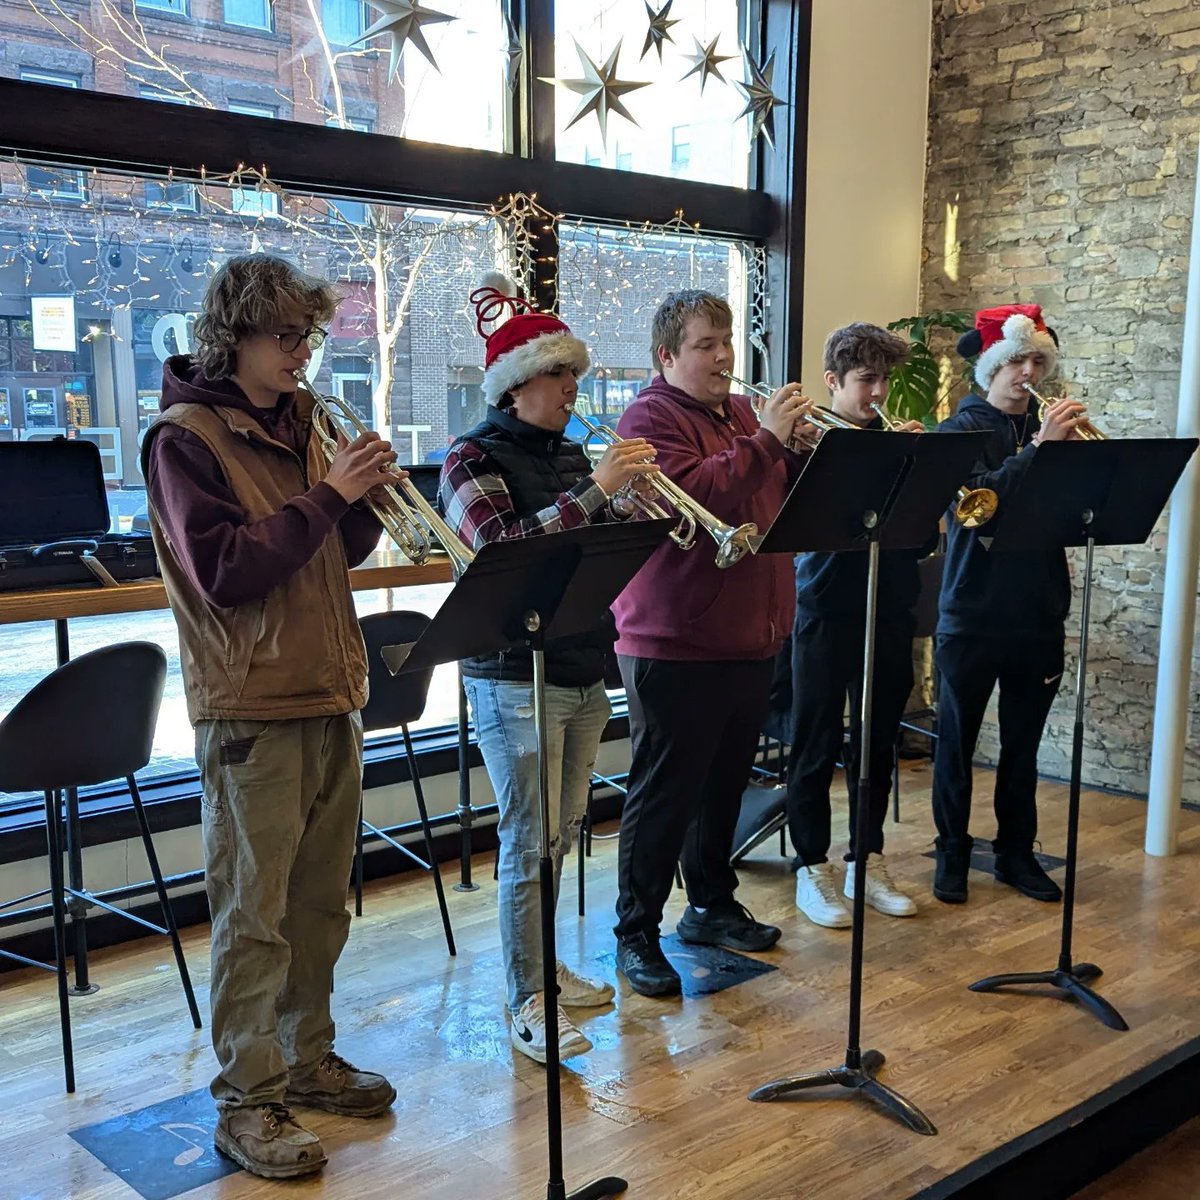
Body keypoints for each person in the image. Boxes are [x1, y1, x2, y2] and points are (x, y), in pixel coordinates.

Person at [141, 254, 398, 1181]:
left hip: (329, 688)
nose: (303, 354)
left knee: (320, 903)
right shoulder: (187, 438)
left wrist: (359, 495)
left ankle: (306, 1056)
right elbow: (228, 569)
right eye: (286, 336)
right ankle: (247, 1099)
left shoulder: (301, 423)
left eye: (310, 337)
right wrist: (330, 493)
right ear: (234, 334)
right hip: (250, 702)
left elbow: (337, 548)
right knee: (254, 915)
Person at [439, 276, 659, 1063]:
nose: (574, 390)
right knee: (529, 840)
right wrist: (601, 490)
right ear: (516, 384)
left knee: (560, 836)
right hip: (510, 677)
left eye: (574, 377)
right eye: (560, 376)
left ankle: (542, 970)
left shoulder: (568, 453)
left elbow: (587, 556)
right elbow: (504, 552)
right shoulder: (468, 460)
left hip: (577, 666)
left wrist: (632, 507)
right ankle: (526, 998)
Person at [610, 288, 811, 997]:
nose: (724, 356)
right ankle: (636, 931)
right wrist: (767, 445)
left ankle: (709, 904)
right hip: (675, 639)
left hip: (748, 633)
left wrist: (806, 452)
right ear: (667, 355)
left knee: (725, 784)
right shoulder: (648, 419)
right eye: (705, 344)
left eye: (727, 341)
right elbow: (694, 495)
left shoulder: (744, 415)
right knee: (665, 793)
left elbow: (773, 495)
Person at [931, 303, 1087, 904]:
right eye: (1016, 359)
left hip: (1039, 609)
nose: (1028, 371)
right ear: (991, 367)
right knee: (957, 743)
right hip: (973, 611)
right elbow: (980, 508)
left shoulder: (1049, 431)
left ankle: (1017, 855)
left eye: (1037, 360)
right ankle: (951, 854)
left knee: (1023, 745)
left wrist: (1070, 458)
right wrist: (1042, 451)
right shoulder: (958, 433)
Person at [788, 323, 928, 929]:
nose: (878, 391)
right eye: (866, 379)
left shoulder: (901, 444)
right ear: (833, 382)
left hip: (889, 604)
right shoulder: (805, 442)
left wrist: (922, 474)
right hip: (824, 605)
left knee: (878, 742)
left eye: (885, 379)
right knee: (815, 740)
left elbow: (922, 537)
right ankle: (811, 867)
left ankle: (865, 859)